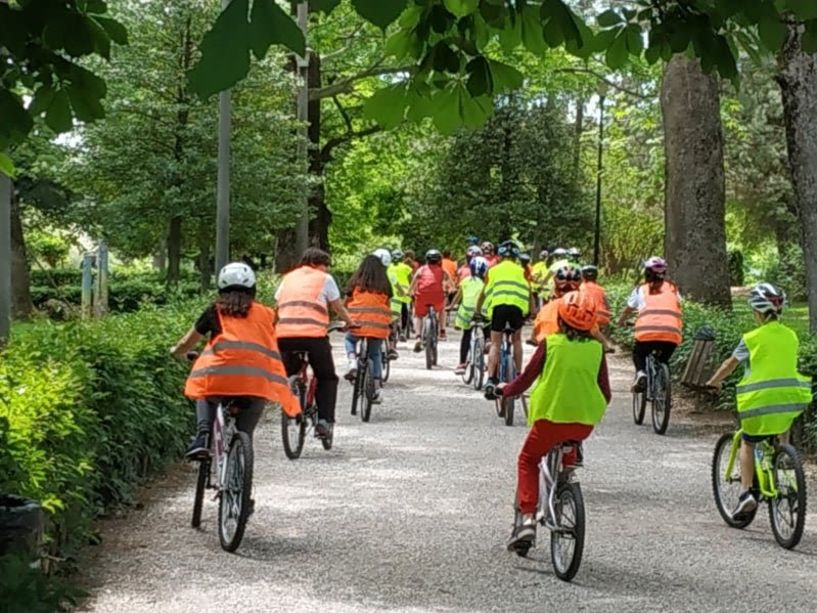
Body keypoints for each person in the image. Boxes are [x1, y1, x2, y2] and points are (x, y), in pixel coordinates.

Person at [496, 291, 611, 551]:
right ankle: (566, 475)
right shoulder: (596, 349)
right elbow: (606, 392)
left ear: (560, 318)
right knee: (569, 443)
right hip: (583, 423)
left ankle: (526, 519)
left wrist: (503, 390)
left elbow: (524, 381)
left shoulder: (551, 344)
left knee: (528, 460)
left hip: (549, 420)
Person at [172, 262, 300, 459]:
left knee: (206, 393)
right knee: (245, 431)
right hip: (255, 383)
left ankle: (203, 437)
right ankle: (240, 461)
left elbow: (186, 342)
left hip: (219, 379)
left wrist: (176, 352)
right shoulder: (267, 314)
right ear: (253, 289)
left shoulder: (214, 311)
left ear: (221, 288)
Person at [706, 283, 811, 518]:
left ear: (757, 311)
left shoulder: (751, 338)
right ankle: (788, 482)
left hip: (759, 401)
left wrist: (713, 381)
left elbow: (729, 364)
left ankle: (745, 494)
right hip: (788, 400)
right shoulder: (791, 335)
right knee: (783, 438)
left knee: (748, 441)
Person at [275, 248, 356, 440]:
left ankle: (292, 403)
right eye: (325, 265)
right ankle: (324, 421)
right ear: (316, 263)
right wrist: (350, 323)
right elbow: (337, 306)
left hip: (284, 335)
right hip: (313, 335)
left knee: (289, 372)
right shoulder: (324, 279)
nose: (327, 269)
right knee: (327, 377)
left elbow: (278, 303)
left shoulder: (288, 277)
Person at [616, 256, 682, 392]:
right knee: (663, 359)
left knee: (638, 353)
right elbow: (679, 304)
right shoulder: (673, 288)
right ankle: (663, 379)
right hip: (671, 334)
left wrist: (621, 321)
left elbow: (629, 309)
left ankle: (641, 373)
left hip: (646, 333)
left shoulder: (641, 289)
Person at [477, 240, 530, 399]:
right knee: (516, 340)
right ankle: (519, 376)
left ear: (499, 256)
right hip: (517, 308)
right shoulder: (523, 271)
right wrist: (532, 312)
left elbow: (484, 293)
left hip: (499, 308)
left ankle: (491, 380)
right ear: (516, 257)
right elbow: (529, 291)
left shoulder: (493, 270)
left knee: (495, 343)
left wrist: (478, 310)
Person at [343, 255, 394, 405]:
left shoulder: (355, 284)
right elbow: (388, 306)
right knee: (375, 354)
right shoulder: (384, 285)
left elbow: (345, 303)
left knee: (349, 339)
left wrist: (345, 320)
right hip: (378, 327)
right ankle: (377, 388)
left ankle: (352, 361)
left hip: (357, 324)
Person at [453, 256, 488, 375]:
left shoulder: (466, 281)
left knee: (466, 335)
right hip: (483, 312)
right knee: (488, 327)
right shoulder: (486, 282)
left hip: (466, 313)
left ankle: (462, 363)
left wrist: (451, 306)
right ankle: (487, 342)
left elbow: (458, 297)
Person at [410, 249, 451, 350]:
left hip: (422, 296)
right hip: (438, 297)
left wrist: (409, 291)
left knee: (418, 315)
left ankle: (418, 337)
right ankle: (442, 331)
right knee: (442, 310)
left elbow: (414, 281)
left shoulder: (422, 269)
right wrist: (450, 290)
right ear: (439, 260)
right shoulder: (442, 270)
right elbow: (450, 284)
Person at [532, 265, 581, 343]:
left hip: (551, 350)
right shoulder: (584, 308)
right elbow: (595, 332)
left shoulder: (545, 309)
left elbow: (535, 335)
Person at [391, 249, 413, 341]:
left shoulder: (389, 267)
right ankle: (403, 330)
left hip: (392, 292)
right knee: (404, 310)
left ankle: (391, 329)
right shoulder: (406, 268)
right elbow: (411, 280)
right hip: (404, 292)